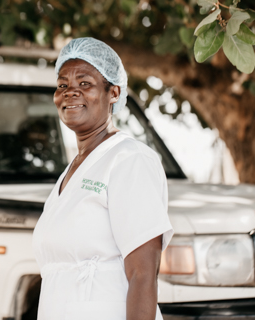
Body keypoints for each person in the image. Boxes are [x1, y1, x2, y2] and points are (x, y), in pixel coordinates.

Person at [32, 37, 174, 320]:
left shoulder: (129, 159)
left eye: (85, 84)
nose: (71, 93)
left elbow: (143, 274)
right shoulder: (72, 171)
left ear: (114, 93)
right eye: (63, 85)